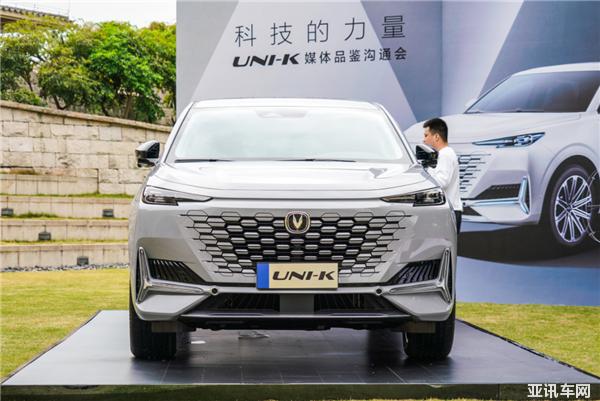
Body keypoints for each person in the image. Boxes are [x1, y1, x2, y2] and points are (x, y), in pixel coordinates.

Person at [422, 118, 463, 233]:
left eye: (426, 135)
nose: (424, 140)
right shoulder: (445, 154)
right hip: (449, 211)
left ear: (436, 137)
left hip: (447, 212)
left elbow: (442, 182)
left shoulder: (445, 155)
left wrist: (425, 175)